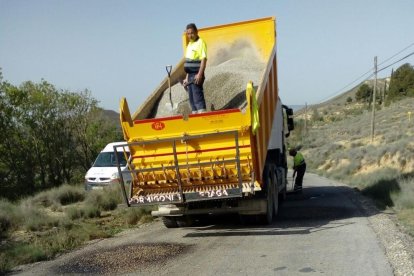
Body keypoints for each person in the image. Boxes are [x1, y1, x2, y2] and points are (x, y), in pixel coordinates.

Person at [183, 23, 207, 114]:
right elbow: (189, 62)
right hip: (190, 76)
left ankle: (202, 116)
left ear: (196, 32)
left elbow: (204, 59)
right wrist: (186, 78)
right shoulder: (189, 44)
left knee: (198, 98)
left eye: (192, 33)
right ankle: (195, 117)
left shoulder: (200, 42)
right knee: (192, 99)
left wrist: (200, 74)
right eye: (188, 34)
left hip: (197, 74)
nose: (190, 35)